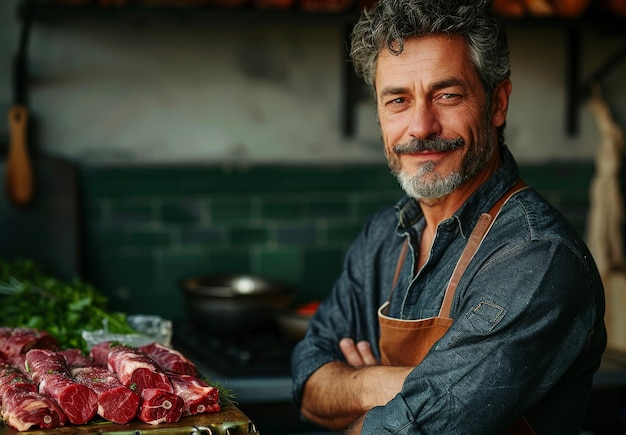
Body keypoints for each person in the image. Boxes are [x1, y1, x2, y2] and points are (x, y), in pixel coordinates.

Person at [290, 0, 607, 433]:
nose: (421, 126)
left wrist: (351, 390)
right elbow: (307, 383)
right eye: (398, 100)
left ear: (497, 104)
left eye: (447, 95)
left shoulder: (538, 259)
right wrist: (380, 384)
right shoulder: (384, 235)